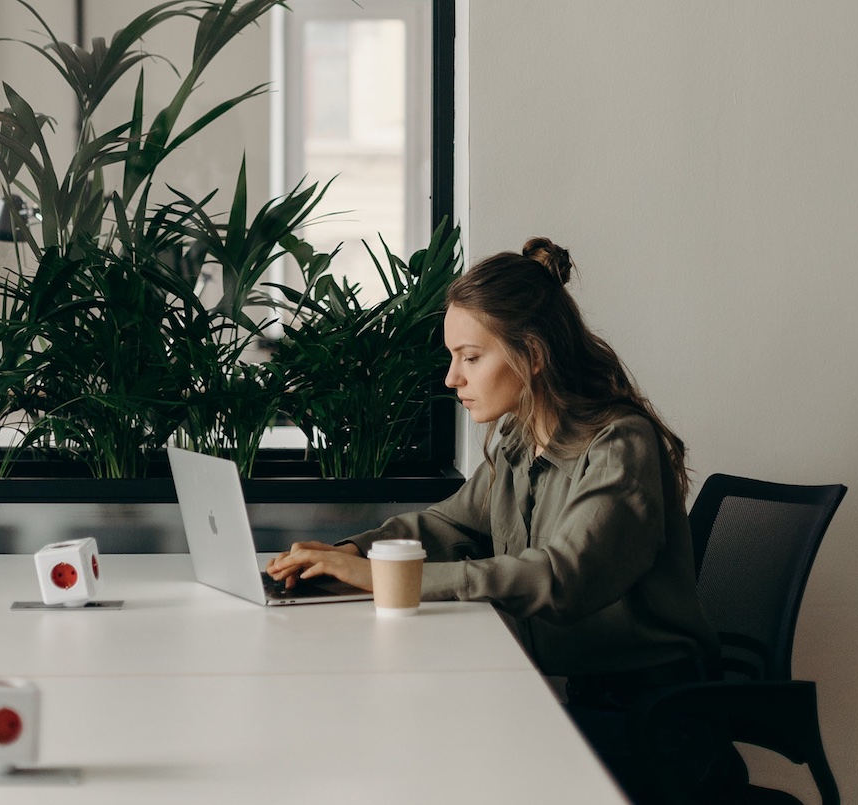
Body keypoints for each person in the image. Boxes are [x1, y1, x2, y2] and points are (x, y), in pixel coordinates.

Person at [266, 237, 727, 800]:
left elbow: (561, 578)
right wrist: (351, 556)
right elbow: (453, 525)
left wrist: (391, 580)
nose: (451, 378)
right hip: (577, 699)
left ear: (532, 355)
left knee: (432, 747)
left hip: (654, 725)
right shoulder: (520, 436)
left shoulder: (618, 445)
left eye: (470, 357)